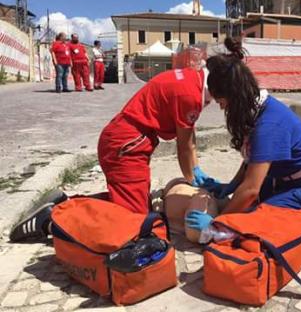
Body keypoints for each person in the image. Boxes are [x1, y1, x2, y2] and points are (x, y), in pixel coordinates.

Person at [9, 64, 218, 242]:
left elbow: (189, 138)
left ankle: (67, 204)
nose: (213, 105)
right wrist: (194, 179)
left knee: (129, 207)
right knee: (133, 228)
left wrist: (196, 174)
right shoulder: (190, 94)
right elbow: (185, 147)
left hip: (126, 141)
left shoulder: (193, 78)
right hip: (127, 146)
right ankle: (51, 221)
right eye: (215, 101)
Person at [186, 38, 301, 249]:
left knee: (260, 222)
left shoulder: (269, 123)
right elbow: (252, 161)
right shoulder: (257, 110)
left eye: (222, 102)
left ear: (233, 95)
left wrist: (217, 224)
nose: (222, 109)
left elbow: (250, 189)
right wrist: (228, 187)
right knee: (249, 211)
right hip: (290, 180)